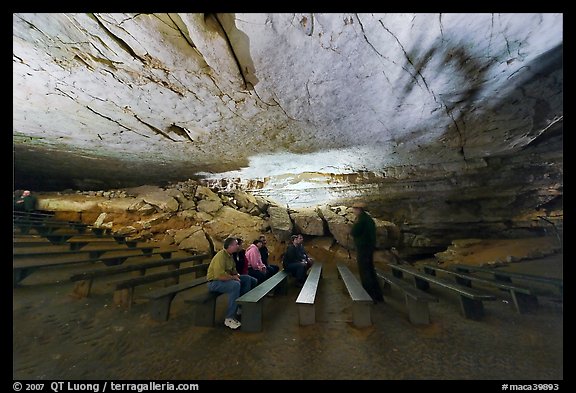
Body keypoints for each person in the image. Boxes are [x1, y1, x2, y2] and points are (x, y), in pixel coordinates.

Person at [206, 237, 256, 330]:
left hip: (225, 279)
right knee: (235, 285)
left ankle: (241, 306)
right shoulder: (220, 256)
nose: (238, 246)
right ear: (230, 246)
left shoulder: (230, 255)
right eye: (236, 244)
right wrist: (233, 278)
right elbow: (219, 276)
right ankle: (229, 318)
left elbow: (233, 270)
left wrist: (236, 275)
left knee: (249, 279)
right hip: (214, 282)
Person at [350, 202, 384, 303]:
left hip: (363, 248)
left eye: (354, 209)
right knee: (370, 270)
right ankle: (378, 296)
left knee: (365, 272)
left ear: (359, 209)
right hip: (369, 248)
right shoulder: (369, 219)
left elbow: (354, 232)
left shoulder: (362, 220)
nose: (353, 211)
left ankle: (369, 296)